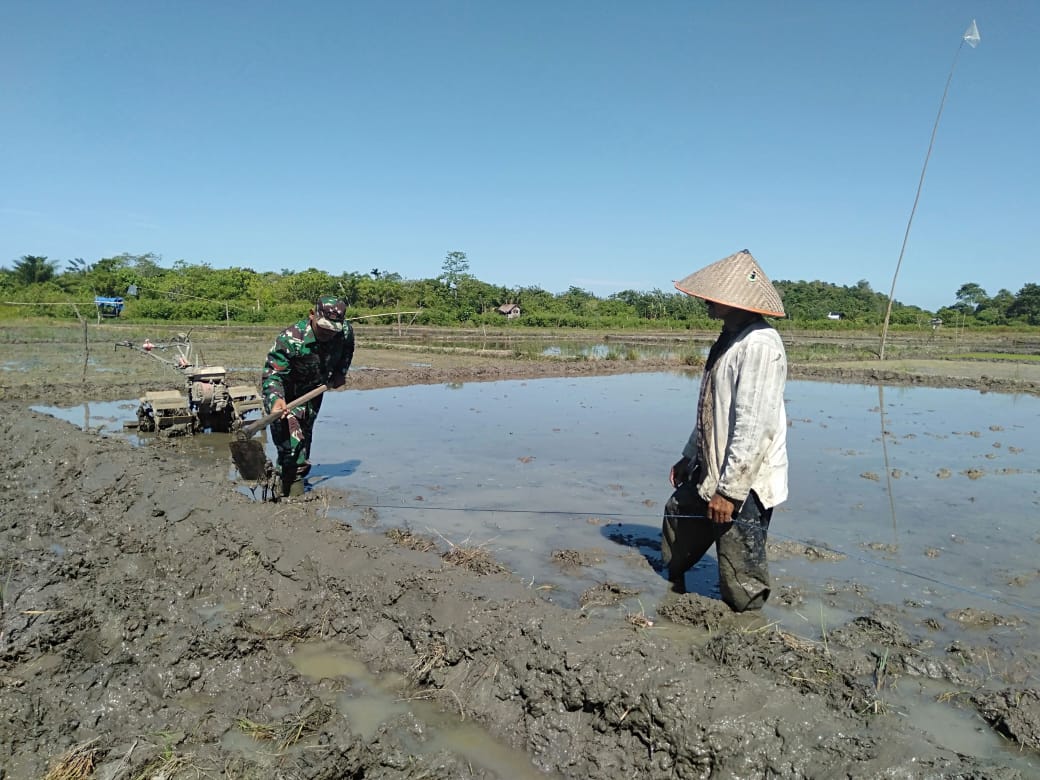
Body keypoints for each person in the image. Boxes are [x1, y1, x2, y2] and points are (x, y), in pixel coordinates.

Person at [662, 249, 788, 612]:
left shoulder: (760, 345)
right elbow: (712, 410)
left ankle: (746, 628)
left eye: (712, 296)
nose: (705, 301)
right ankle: (670, 589)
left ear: (735, 301)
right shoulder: (730, 338)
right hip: (711, 466)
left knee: (740, 573)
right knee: (678, 517)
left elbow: (754, 425)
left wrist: (730, 493)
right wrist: (690, 455)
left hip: (743, 480)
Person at [261, 296, 354, 497]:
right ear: (312, 315)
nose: (328, 334)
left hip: (313, 390)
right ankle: (290, 492)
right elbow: (272, 375)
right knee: (289, 442)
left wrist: (340, 372)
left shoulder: (344, 331)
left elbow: (348, 349)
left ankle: (291, 483)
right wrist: (276, 400)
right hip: (285, 393)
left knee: (305, 434)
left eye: (333, 330)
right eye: (324, 328)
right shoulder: (291, 338)